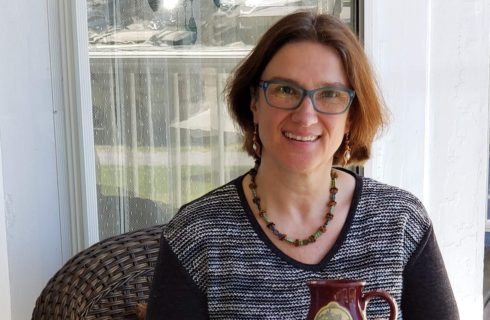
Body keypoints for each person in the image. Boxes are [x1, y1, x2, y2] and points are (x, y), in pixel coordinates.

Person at [146, 11, 459, 320]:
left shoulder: (401, 222)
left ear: (350, 117)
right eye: (285, 90)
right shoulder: (197, 234)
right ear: (254, 102)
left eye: (330, 94)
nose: (306, 116)